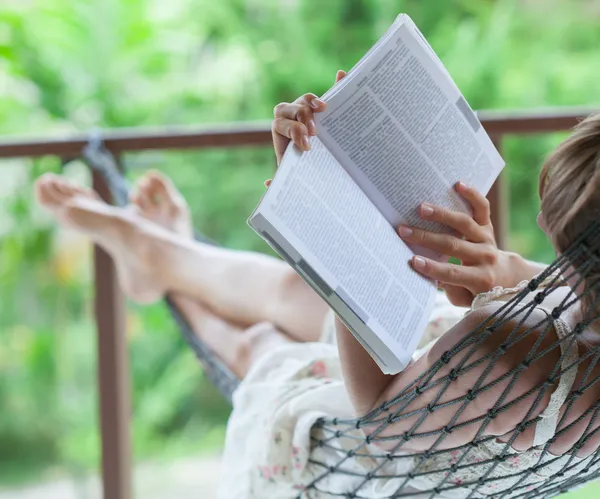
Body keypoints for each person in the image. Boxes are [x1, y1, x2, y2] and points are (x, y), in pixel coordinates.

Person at [35, 75, 600, 497]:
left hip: (363, 462)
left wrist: (341, 235)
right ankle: (162, 258)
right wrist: (501, 271)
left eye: (554, 244)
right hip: (459, 395)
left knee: (262, 346)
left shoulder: (500, 346)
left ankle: (157, 266)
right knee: (292, 292)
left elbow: (376, 414)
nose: (545, 247)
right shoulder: (582, 317)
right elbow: (547, 297)